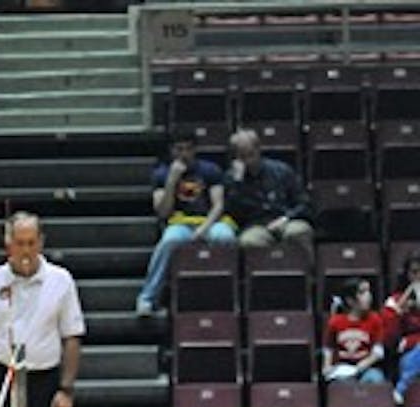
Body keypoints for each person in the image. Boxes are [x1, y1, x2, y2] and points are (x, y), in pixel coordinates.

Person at [0, 210, 86, 407]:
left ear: (41, 243)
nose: (26, 251)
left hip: (44, 379)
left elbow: (72, 337)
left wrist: (66, 390)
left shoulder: (61, 280)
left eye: (31, 243)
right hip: (1, 376)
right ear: (8, 245)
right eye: (20, 243)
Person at [135, 128, 236, 317]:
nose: (184, 154)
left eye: (188, 149)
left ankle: (228, 295)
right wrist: (171, 181)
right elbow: (163, 211)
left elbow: (218, 206)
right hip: (180, 224)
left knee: (225, 236)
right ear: (172, 151)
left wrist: (204, 229)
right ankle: (147, 298)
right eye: (179, 149)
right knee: (169, 241)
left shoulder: (210, 170)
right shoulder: (161, 174)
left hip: (210, 222)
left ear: (195, 149)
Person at [223, 128, 313, 259]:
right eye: (242, 157)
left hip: (286, 220)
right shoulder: (232, 179)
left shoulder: (281, 170)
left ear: (259, 149)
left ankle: (306, 271)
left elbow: (304, 203)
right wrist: (238, 184)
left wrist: (286, 218)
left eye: (250, 154)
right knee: (249, 241)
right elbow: (232, 214)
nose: (248, 161)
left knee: (298, 231)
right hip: (256, 226)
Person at [322, 276, 385, 386]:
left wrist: (362, 366)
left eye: (368, 291)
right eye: (362, 293)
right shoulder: (335, 321)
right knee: (340, 384)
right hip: (342, 368)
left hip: (366, 368)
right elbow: (328, 348)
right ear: (350, 300)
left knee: (375, 378)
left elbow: (378, 351)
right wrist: (326, 366)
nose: (369, 296)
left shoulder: (375, 319)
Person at [381, 248, 420, 404]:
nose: (419, 278)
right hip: (408, 357)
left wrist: (410, 341)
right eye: (415, 272)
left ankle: (401, 388)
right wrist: (399, 312)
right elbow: (389, 341)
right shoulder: (394, 302)